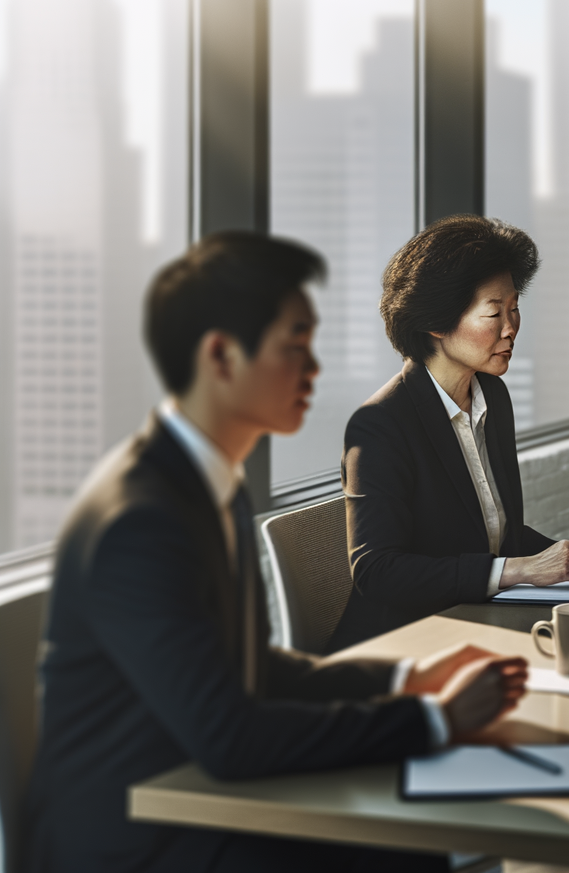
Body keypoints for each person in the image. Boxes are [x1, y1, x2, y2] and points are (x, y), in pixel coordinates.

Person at [24, 233, 528, 873]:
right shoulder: (139, 520)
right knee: (400, 842)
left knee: (409, 830)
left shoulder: (209, 483)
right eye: (294, 347)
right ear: (221, 357)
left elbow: (249, 670)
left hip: (195, 789)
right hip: (137, 835)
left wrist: (402, 680)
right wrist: (429, 721)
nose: (314, 369)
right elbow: (229, 737)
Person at [330, 216, 569, 650]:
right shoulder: (380, 424)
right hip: (401, 647)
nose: (511, 328)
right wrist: (522, 570)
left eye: (514, 308)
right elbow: (378, 572)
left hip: (473, 624)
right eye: (493, 312)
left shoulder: (492, 395)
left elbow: (492, 534)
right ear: (436, 322)